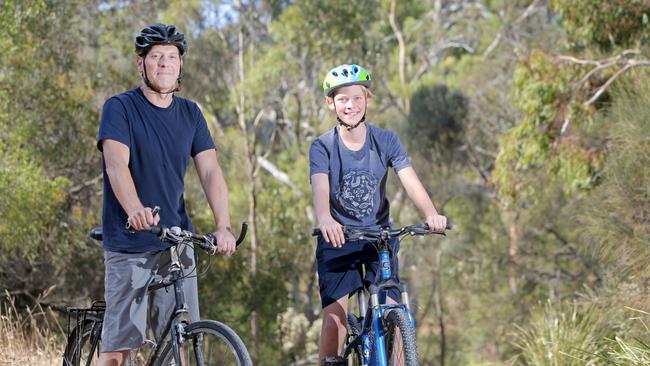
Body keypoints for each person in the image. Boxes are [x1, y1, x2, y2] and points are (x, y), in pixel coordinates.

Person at [96, 23, 236, 366]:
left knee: (178, 343)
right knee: (118, 350)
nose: (164, 64)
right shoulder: (120, 108)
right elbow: (117, 165)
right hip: (130, 242)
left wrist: (223, 226)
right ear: (140, 63)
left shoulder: (191, 113)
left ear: (180, 65)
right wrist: (135, 210)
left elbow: (210, 171)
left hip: (176, 242)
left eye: (171, 57)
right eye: (156, 57)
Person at [309, 64, 448, 365]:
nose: (351, 105)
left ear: (367, 100)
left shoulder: (385, 140)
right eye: (343, 99)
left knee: (394, 311)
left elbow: (409, 179)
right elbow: (321, 189)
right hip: (337, 238)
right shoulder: (322, 146)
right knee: (336, 319)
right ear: (330, 103)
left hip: (378, 238)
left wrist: (431, 214)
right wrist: (325, 219)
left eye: (357, 98)